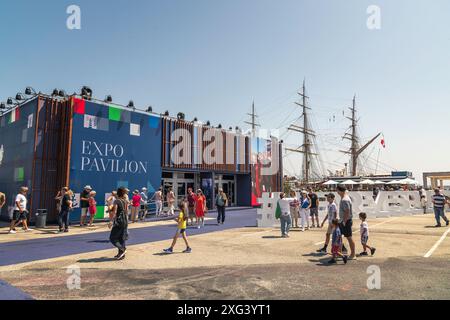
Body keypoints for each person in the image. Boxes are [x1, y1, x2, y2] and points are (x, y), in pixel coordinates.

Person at [109, 186, 129, 260]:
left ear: (118, 193)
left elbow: (114, 212)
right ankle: (121, 254)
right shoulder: (125, 201)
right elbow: (127, 212)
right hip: (125, 221)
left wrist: (111, 221)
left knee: (112, 238)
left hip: (119, 222)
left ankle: (123, 250)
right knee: (121, 239)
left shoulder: (116, 201)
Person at [337, 185, 356, 260]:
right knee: (339, 236)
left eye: (337, 190)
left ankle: (353, 254)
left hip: (346, 221)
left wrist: (344, 222)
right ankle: (340, 252)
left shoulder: (345, 199)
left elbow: (347, 211)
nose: (337, 192)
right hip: (343, 220)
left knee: (349, 237)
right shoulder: (345, 197)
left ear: (339, 191)